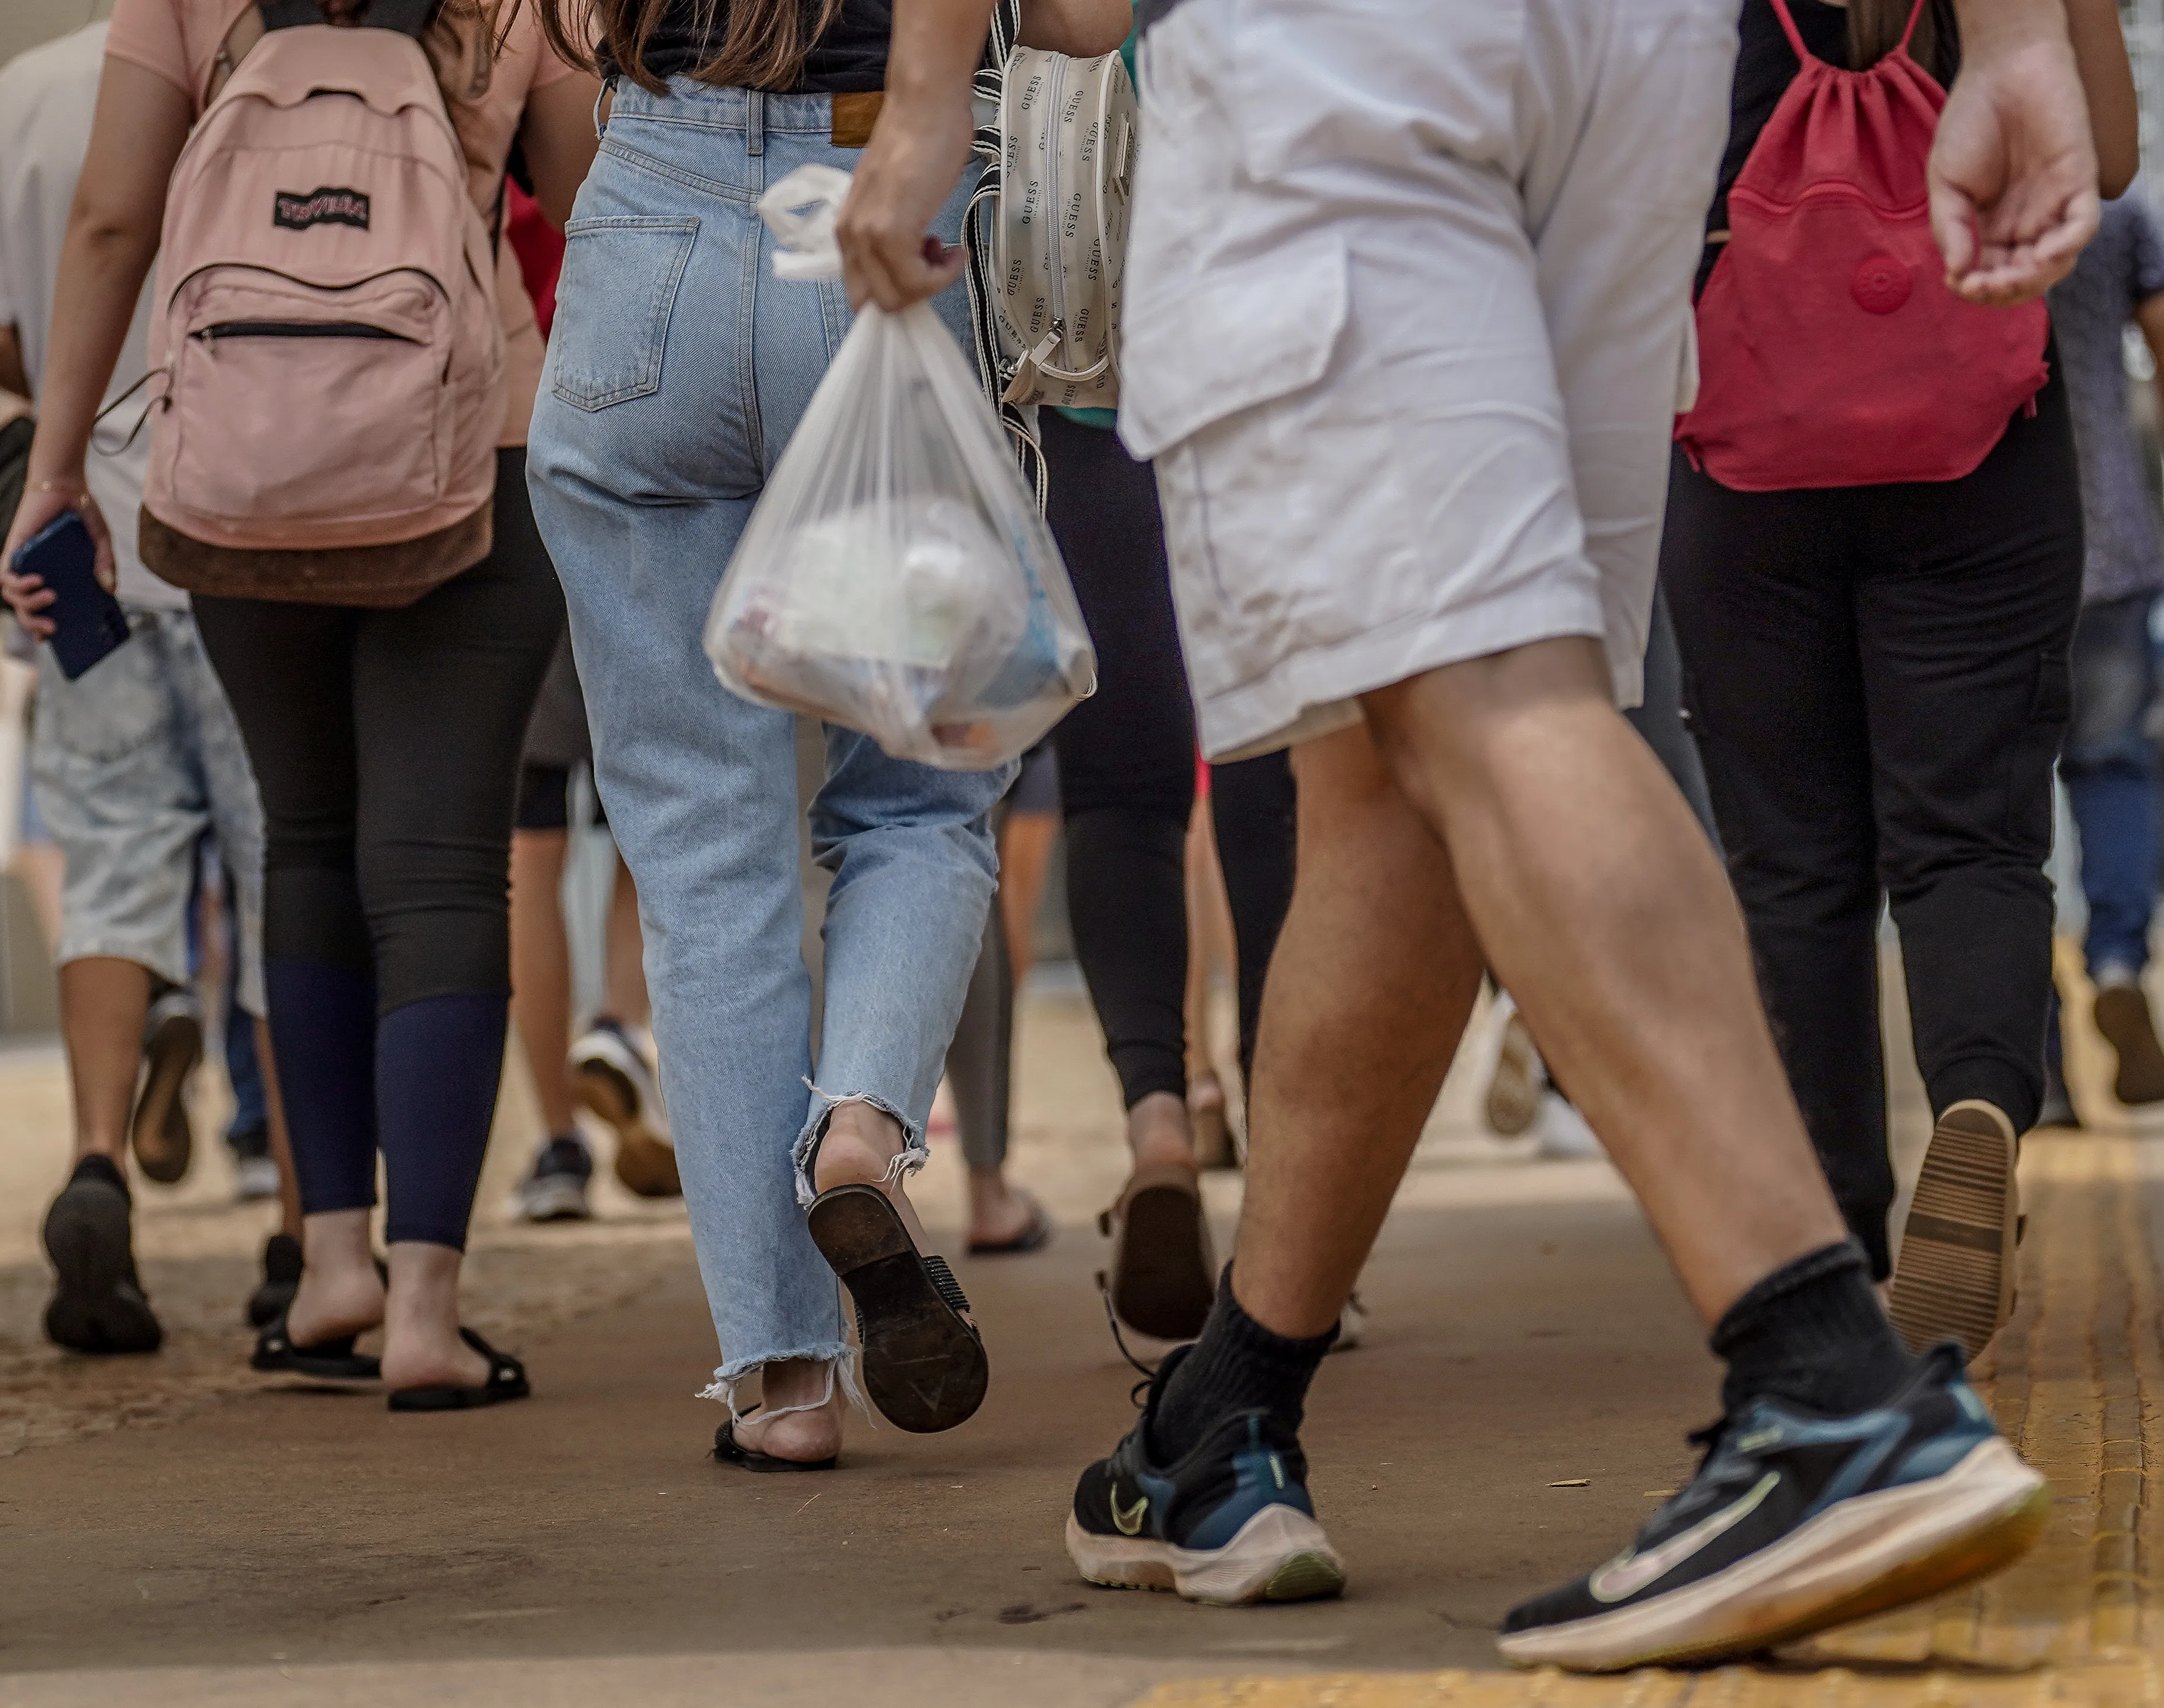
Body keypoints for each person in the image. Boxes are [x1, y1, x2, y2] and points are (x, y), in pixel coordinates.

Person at [825, 0, 2103, 1666]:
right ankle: (1223, 1421)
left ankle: (1825, 1380)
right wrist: (2008, 34)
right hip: (1633, 60)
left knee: (1484, 691)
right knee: (1397, 737)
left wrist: (930, 90)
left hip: (1353, 50)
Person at [525, 0, 1130, 1466]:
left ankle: (781, 1382)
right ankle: (859, 1119)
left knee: (692, 848)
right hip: (880, 229)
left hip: (642, 240)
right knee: (918, 797)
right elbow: (1085, 20)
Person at [6, 0, 600, 1404]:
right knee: (443, 868)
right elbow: (586, 203)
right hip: (469, 451)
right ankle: (426, 1307)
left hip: (244, 454)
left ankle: (331, 1262)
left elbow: (108, 222)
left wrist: (54, 473)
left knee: (309, 840)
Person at [1662, 0, 2134, 1367]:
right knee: (1969, 837)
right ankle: (1978, 1110)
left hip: (1747, 462)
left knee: (1792, 867)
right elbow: (2100, 156)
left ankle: (1828, 1233)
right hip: (1977, 438)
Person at [0, 15, 285, 1357]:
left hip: (87, 552)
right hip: (252, 533)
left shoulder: (24, 90)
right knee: (278, 868)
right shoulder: (277, 54)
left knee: (112, 864)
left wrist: (74, 390)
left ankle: (94, 1167)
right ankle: (305, 1229)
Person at [2042, 186, 2164, 1116]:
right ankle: (2118, 957)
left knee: (1984, 818)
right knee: (2116, 765)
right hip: (2112, 542)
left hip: (1971, 555)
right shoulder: (2114, 214)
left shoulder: (1939, 191)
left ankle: (2031, 1063)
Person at [506, 642, 675, 1222]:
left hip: (527, 581)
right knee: (643, 823)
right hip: (634, 574)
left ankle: (560, 1145)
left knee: (531, 850)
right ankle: (619, 1026)